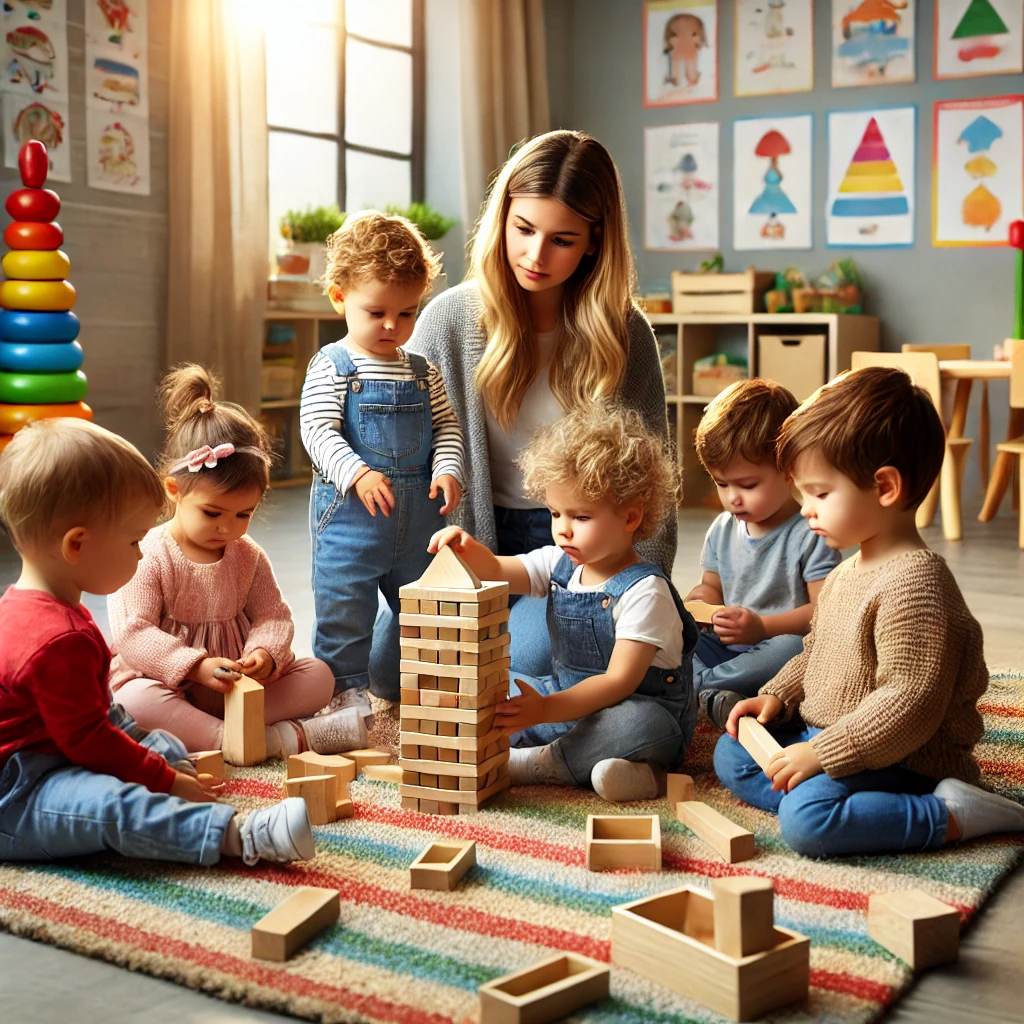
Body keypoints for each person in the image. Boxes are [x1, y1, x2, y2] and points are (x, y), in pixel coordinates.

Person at [714, 367, 1024, 857]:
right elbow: (818, 654)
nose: (806, 509)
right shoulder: (846, 570)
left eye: (819, 493)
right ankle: (842, 800)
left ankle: (951, 812)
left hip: (902, 756)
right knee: (732, 752)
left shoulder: (916, 585)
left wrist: (820, 753)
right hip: (832, 731)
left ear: (885, 487)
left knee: (809, 822)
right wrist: (778, 695)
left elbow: (908, 705)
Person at [408, 129, 675, 689]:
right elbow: (407, 457)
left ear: (594, 243)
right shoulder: (446, 321)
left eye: (562, 239)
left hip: (580, 549)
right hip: (467, 534)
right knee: (396, 671)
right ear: (502, 217)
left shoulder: (626, 334)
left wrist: (632, 589)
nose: (535, 255)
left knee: (520, 667)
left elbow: (653, 485)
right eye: (524, 229)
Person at [0, 418, 314, 866]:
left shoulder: (52, 614)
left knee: (159, 742)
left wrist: (165, 765)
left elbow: (105, 717)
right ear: (77, 546)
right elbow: (93, 742)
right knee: (112, 805)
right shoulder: (57, 640)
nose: (142, 551)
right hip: (18, 793)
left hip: (57, 754)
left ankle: (184, 794)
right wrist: (163, 782)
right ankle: (237, 837)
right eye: (131, 541)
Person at [429, 404, 699, 803]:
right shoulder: (560, 562)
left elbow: (618, 683)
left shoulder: (645, 592)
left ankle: (541, 762)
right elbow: (500, 571)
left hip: (636, 713)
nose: (562, 530)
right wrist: (468, 550)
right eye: (555, 513)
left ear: (630, 517)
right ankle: (630, 777)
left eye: (581, 517)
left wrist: (545, 711)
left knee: (638, 726)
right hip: (565, 701)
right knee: (497, 684)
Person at [108, 365, 360, 762]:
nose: (228, 528)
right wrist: (194, 666)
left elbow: (273, 617)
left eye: (243, 515)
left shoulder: (248, 555)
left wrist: (265, 653)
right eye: (212, 513)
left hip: (238, 688)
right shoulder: (151, 553)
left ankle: (232, 731)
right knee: (132, 700)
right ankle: (238, 738)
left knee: (319, 676)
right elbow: (132, 632)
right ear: (173, 490)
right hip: (175, 688)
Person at [299, 211, 465, 747]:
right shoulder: (332, 365)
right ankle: (343, 697)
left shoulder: (422, 370)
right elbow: (317, 431)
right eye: (377, 312)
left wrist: (447, 467)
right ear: (338, 297)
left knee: (426, 603)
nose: (392, 325)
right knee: (344, 607)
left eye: (407, 312)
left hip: (418, 519)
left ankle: (431, 685)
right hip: (351, 517)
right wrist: (357, 471)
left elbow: (446, 427)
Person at [685, 379, 839, 725]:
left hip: (776, 651)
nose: (732, 498)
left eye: (748, 485)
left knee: (792, 648)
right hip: (725, 650)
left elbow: (823, 614)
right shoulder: (722, 529)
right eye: (721, 484)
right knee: (670, 636)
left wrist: (762, 627)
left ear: (789, 471)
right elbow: (712, 586)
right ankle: (713, 693)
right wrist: (701, 602)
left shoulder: (809, 533)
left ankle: (697, 688)